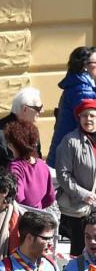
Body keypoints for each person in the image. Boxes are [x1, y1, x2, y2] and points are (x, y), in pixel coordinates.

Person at [52, 99, 96, 248]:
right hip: (78, 210)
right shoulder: (70, 141)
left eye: (92, 116)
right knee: (80, 253)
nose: (88, 119)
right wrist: (84, 194)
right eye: (84, 116)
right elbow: (63, 175)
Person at [50, 47, 96, 160]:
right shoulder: (83, 90)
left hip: (67, 155)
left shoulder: (77, 85)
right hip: (73, 160)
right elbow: (88, 126)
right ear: (85, 66)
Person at [0, 87, 44, 170]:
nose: (42, 111)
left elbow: (37, 158)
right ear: (25, 109)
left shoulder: (32, 130)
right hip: (8, 181)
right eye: (38, 108)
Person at [8, 120, 55, 211]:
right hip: (39, 216)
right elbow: (50, 198)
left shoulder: (15, 167)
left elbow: (18, 198)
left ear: (13, 145)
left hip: (22, 219)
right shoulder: (42, 164)